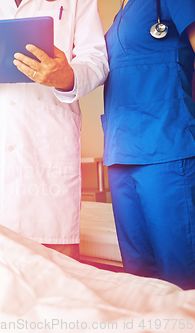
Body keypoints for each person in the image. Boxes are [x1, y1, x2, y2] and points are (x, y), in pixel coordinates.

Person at [0, 0, 109, 259]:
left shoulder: (77, 2)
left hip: (49, 163)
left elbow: (97, 61)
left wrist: (66, 76)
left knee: (59, 275)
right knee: (0, 274)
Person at [103, 0, 195, 290]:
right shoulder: (123, 9)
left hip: (166, 145)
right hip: (120, 152)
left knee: (180, 274)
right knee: (138, 278)